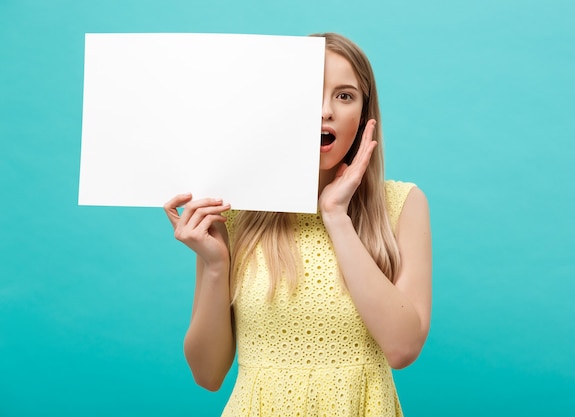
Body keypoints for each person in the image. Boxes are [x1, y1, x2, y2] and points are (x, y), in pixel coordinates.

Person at [164, 32, 432, 416]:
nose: (326, 111)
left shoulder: (403, 204)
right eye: (311, 92)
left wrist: (336, 216)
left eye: (344, 95)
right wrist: (215, 266)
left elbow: (403, 347)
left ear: (364, 115)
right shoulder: (233, 211)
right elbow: (207, 375)